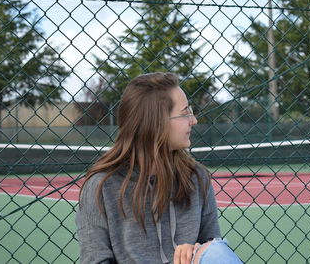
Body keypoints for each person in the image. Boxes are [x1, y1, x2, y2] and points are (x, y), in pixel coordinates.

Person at [75, 72, 243, 264]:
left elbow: (212, 248)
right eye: (185, 112)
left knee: (216, 254)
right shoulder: (100, 187)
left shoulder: (197, 177)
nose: (194, 120)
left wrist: (200, 251)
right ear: (156, 122)